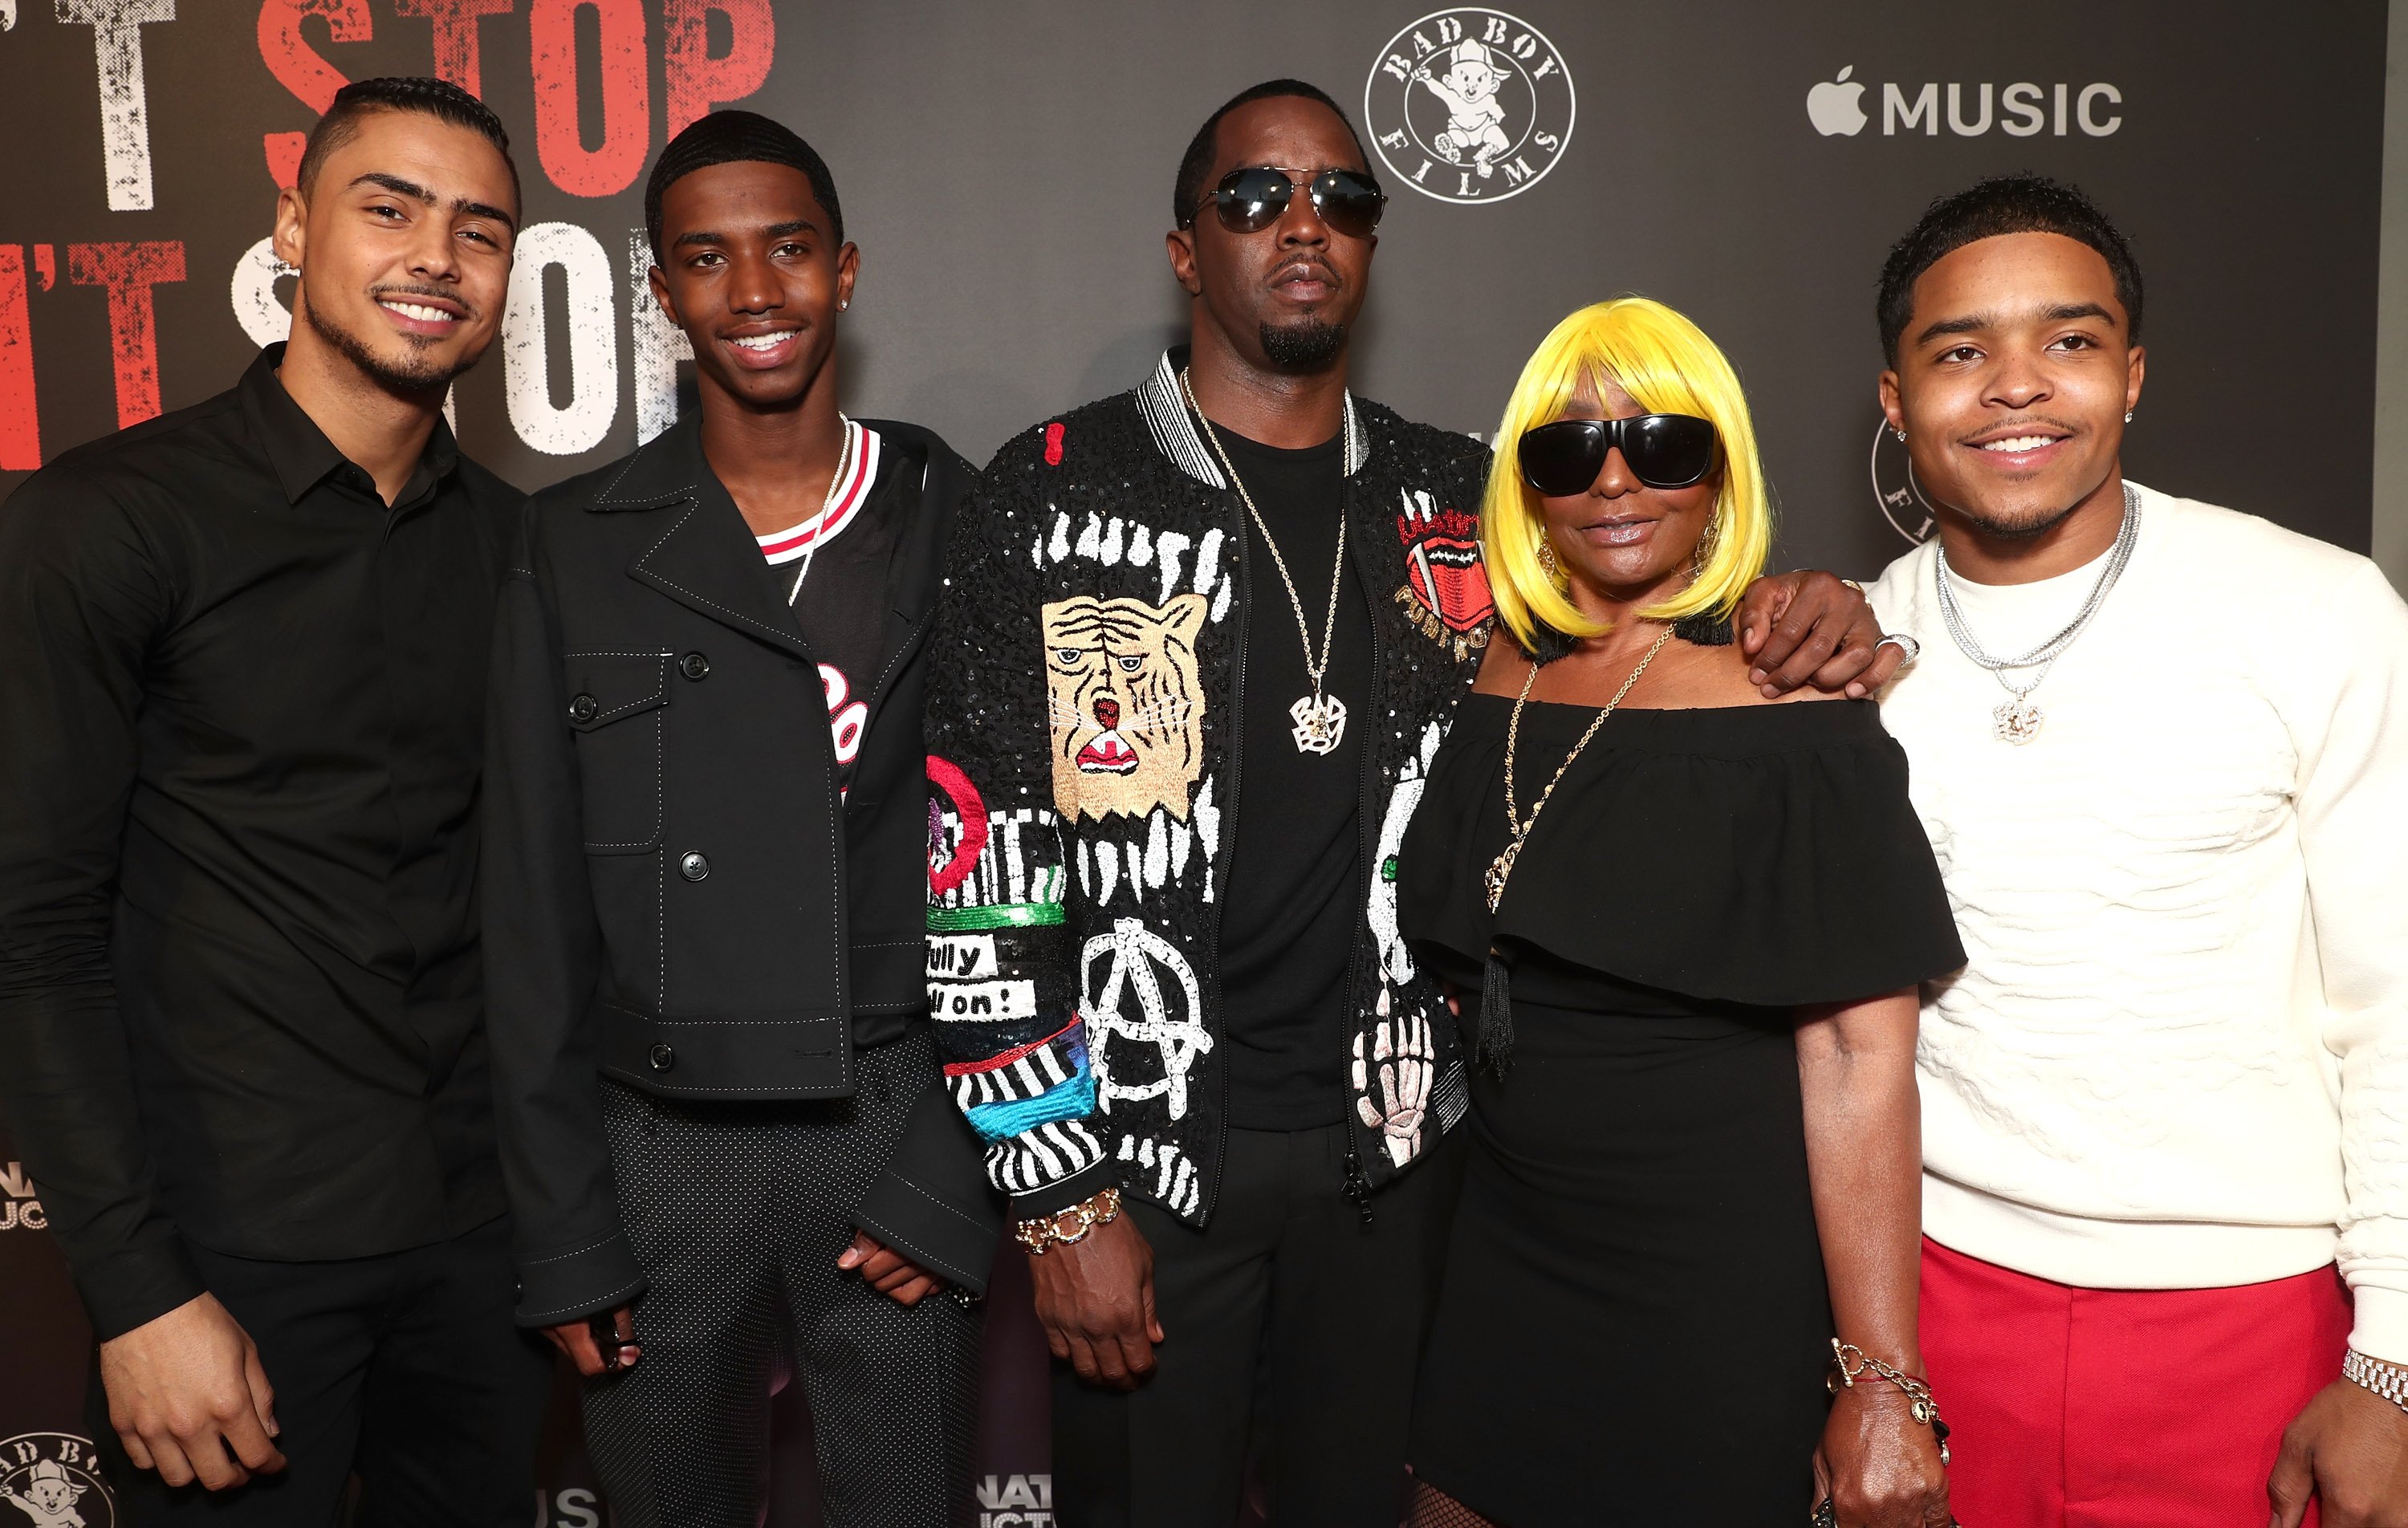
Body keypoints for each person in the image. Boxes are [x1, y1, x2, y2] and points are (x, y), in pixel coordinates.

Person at [919, 79, 1902, 1526]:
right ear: (1186, 248)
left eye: (1340, 196)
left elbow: (1642, 610)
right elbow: (981, 876)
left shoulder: (1462, 497)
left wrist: (1801, 605)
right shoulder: (1048, 490)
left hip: (1412, 1164)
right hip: (1144, 1166)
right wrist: (1059, 1195)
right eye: (1254, 196)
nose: (1301, 223)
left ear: (1373, 242)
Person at [0, 77, 548, 1525]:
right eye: (389, 208)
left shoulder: (522, 550)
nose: (436, 255)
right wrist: (137, 1295)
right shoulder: (106, 521)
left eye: (478, 229)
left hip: (483, 1253)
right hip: (226, 1265)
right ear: (292, 229)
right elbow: (33, 931)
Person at [1864, 173, 2408, 1528]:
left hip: (2253, 1325)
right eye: (1960, 351)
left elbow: (2396, 1002)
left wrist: (2391, 1363)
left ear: (2134, 374)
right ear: (1894, 399)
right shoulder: (1844, 658)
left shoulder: (2317, 610)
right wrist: (1871, 1363)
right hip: (1934, 1306)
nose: (2016, 387)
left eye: (2070, 340)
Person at [482, 110, 999, 1528]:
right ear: (660, 293)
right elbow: (526, 917)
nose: (753, 292)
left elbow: (1032, 859)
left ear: (846, 268)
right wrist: (567, 1231)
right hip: (658, 1151)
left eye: (786, 251)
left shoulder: (959, 512)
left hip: (896, 1113)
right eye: (707, 260)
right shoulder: (574, 544)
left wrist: (961, 1162)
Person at [1392, 298, 1965, 1528]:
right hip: (1499, 1249)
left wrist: (1881, 1382)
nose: (1612, 481)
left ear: (1721, 467)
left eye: (1661, 443)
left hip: (1714, 1281)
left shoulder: (1793, 699)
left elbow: (1862, 1056)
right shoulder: (1490, 660)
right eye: (1566, 450)